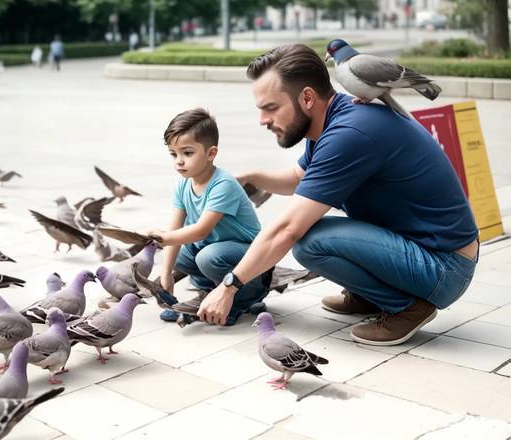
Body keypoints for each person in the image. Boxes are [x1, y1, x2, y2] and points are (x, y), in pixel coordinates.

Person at [197, 45, 479, 346]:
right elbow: (300, 178)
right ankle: (372, 296)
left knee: (310, 241)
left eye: (271, 108)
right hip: (427, 251)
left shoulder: (351, 133)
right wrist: (252, 177)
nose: (263, 120)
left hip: (444, 267)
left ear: (307, 98)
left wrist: (229, 287)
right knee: (311, 234)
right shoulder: (332, 119)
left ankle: (408, 308)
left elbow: (288, 229)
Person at [147, 108, 271, 326]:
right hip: (218, 249)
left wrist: (164, 238)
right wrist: (166, 273)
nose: (179, 161)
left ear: (211, 153)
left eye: (187, 153)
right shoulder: (183, 185)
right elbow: (176, 231)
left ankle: (245, 298)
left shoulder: (223, 184)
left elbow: (201, 230)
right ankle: (209, 293)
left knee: (207, 257)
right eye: (173, 154)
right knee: (183, 254)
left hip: (250, 254)